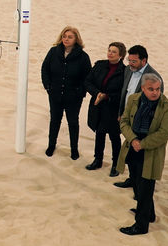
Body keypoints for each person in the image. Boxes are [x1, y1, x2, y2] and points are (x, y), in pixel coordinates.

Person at [115, 74, 168, 235]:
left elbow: (165, 132)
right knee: (136, 183)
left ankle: (141, 226)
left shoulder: (166, 106)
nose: (155, 93)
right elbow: (124, 122)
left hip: (150, 152)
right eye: (151, 89)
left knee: (146, 187)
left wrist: (143, 144)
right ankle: (149, 214)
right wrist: (133, 139)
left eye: (157, 89)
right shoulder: (134, 99)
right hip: (132, 148)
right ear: (143, 88)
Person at [113, 45, 162, 185]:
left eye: (134, 61)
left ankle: (140, 186)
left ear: (144, 60)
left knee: (140, 156)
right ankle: (132, 179)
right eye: (129, 60)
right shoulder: (128, 70)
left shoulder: (154, 77)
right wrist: (121, 113)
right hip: (127, 116)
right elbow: (125, 92)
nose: (130, 64)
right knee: (130, 153)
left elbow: (155, 103)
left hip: (142, 122)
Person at [40, 26, 91, 159]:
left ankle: (74, 149)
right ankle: (51, 145)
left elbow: (87, 77)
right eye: (64, 36)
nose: (66, 39)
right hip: (55, 94)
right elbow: (45, 69)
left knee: (73, 122)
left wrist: (80, 91)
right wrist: (48, 86)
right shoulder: (53, 52)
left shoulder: (83, 57)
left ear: (76, 39)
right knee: (55, 121)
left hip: (73, 97)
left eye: (70, 37)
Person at [84, 41, 127, 175]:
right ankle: (98, 160)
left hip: (113, 107)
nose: (110, 53)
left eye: (114, 52)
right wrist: (97, 94)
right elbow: (87, 81)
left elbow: (123, 92)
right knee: (100, 133)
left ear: (121, 55)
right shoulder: (100, 65)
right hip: (98, 105)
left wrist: (107, 97)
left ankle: (116, 164)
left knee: (114, 136)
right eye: (109, 50)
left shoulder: (125, 72)